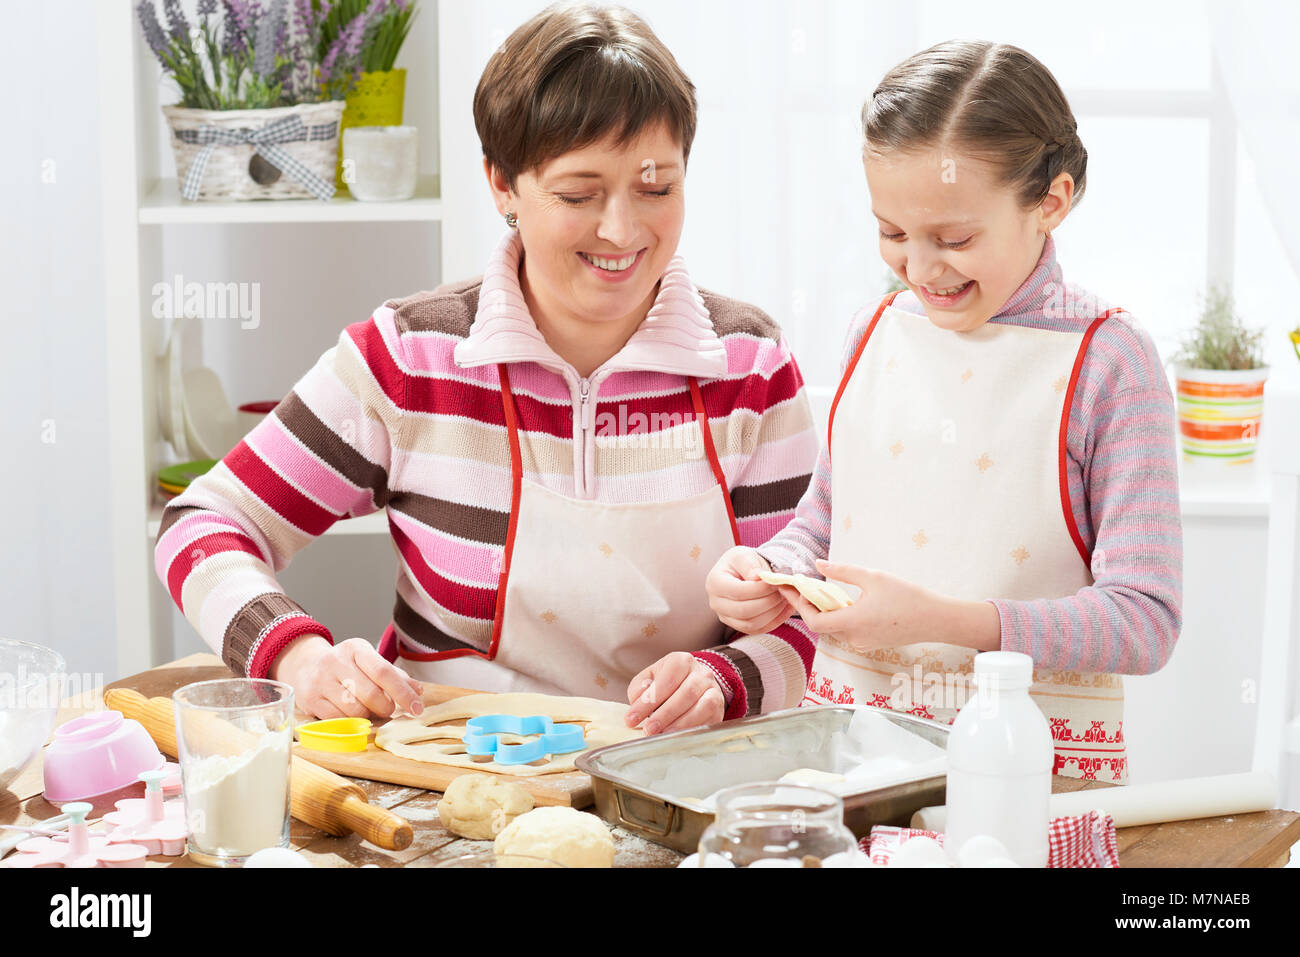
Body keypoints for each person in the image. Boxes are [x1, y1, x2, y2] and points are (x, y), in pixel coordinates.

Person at [153, 3, 820, 732]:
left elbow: (806, 610)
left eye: (656, 188)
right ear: (502, 183)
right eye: (578, 194)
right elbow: (204, 522)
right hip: (442, 787)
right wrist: (295, 656)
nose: (623, 230)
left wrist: (728, 678)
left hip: (669, 780)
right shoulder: (412, 359)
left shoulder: (751, 368)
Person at [703, 40, 1183, 783]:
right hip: (852, 757)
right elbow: (826, 524)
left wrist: (946, 621)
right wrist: (771, 571)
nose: (920, 270)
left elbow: (1145, 620)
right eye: (893, 233)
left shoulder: (1109, 360)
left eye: (954, 238)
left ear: (1050, 201)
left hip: (1030, 779)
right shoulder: (873, 332)